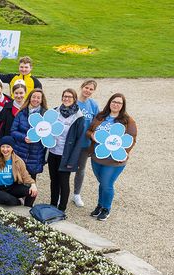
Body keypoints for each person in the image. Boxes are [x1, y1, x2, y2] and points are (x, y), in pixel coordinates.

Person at [86, 93, 137, 221]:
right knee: (102, 183)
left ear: (122, 105)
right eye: (114, 102)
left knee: (106, 183)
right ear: (109, 102)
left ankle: (106, 209)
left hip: (115, 160)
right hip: (97, 156)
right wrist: (91, 135)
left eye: (119, 103)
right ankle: (100, 205)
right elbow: (89, 130)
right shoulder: (101, 116)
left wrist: (124, 153)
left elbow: (132, 139)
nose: (116, 104)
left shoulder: (128, 121)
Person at [47, 88, 86, 212]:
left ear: (74, 99)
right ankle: (53, 205)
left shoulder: (79, 117)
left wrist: (72, 160)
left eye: (69, 97)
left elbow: (79, 141)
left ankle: (61, 209)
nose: (66, 98)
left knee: (64, 182)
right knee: (54, 180)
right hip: (53, 152)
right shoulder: (55, 112)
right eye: (65, 96)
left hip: (66, 155)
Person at [0, 136, 38, 206]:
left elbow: (25, 175)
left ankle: (27, 208)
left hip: (11, 187)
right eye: (3, 147)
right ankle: (18, 203)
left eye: (8, 147)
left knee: (32, 192)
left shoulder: (18, 160)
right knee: (8, 199)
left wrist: (33, 184)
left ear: (12, 148)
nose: (5, 149)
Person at [72, 79, 99, 207]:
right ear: (82, 87)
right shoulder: (73, 101)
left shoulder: (93, 105)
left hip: (85, 143)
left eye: (91, 89)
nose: (88, 90)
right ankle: (61, 193)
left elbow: (97, 123)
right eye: (86, 88)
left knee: (80, 169)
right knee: (65, 168)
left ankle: (76, 194)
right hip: (71, 143)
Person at [10, 89, 48, 178]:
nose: (35, 99)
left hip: (35, 153)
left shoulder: (45, 115)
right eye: (33, 97)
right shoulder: (21, 113)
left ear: (41, 100)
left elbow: (48, 134)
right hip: (20, 151)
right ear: (30, 98)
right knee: (17, 179)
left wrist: (38, 138)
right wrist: (24, 137)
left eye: (38, 98)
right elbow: (13, 131)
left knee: (31, 180)